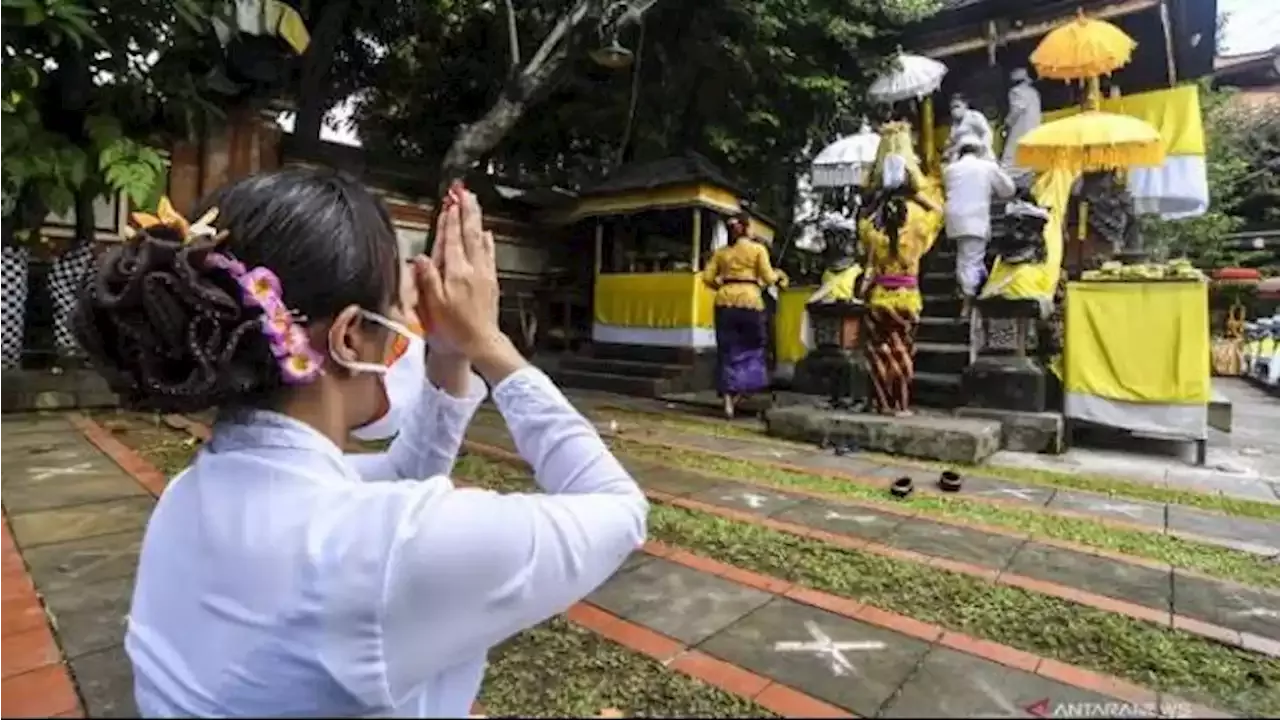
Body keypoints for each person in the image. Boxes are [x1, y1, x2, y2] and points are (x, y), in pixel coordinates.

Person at [72, 169, 648, 717]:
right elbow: (622, 512)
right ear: (349, 336)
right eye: (400, 309)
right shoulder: (388, 548)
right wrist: (492, 344)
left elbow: (404, 480)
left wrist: (450, 356)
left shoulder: (190, 493)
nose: (413, 324)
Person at [859, 126, 944, 417]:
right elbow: (939, 214)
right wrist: (917, 195)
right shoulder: (918, 230)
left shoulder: (873, 233)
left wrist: (876, 200)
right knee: (902, 351)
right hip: (907, 297)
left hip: (879, 297)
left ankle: (880, 403)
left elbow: (864, 224)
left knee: (878, 352)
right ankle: (901, 405)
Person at [700, 211, 787, 419]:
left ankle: (728, 401)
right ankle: (742, 390)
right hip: (750, 301)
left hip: (724, 301)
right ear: (747, 228)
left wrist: (723, 284)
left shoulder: (721, 253)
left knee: (727, 349)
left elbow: (707, 277)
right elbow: (767, 276)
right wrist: (780, 276)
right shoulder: (758, 249)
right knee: (753, 347)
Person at [943, 135, 1016, 316]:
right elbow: (1008, 189)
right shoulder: (986, 167)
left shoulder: (950, 169)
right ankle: (967, 303)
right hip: (975, 220)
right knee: (970, 260)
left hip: (954, 220)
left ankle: (974, 287)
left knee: (967, 258)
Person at [1001, 67, 1042, 173]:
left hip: (1021, 130)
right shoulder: (1033, 92)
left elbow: (1016, 111)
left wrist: (1006, 124)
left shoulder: (1016, 91)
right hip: (1033, 130)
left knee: (1011, 159)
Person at [943, 94, 994, 162]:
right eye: (952, 108)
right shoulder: (954, 124)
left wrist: (984, 147)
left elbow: (986, 132)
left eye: (957, 106)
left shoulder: (974, 116)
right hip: (960, 153)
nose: (954, 110)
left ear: (965, 105)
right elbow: (951, 141)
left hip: (977, 149)